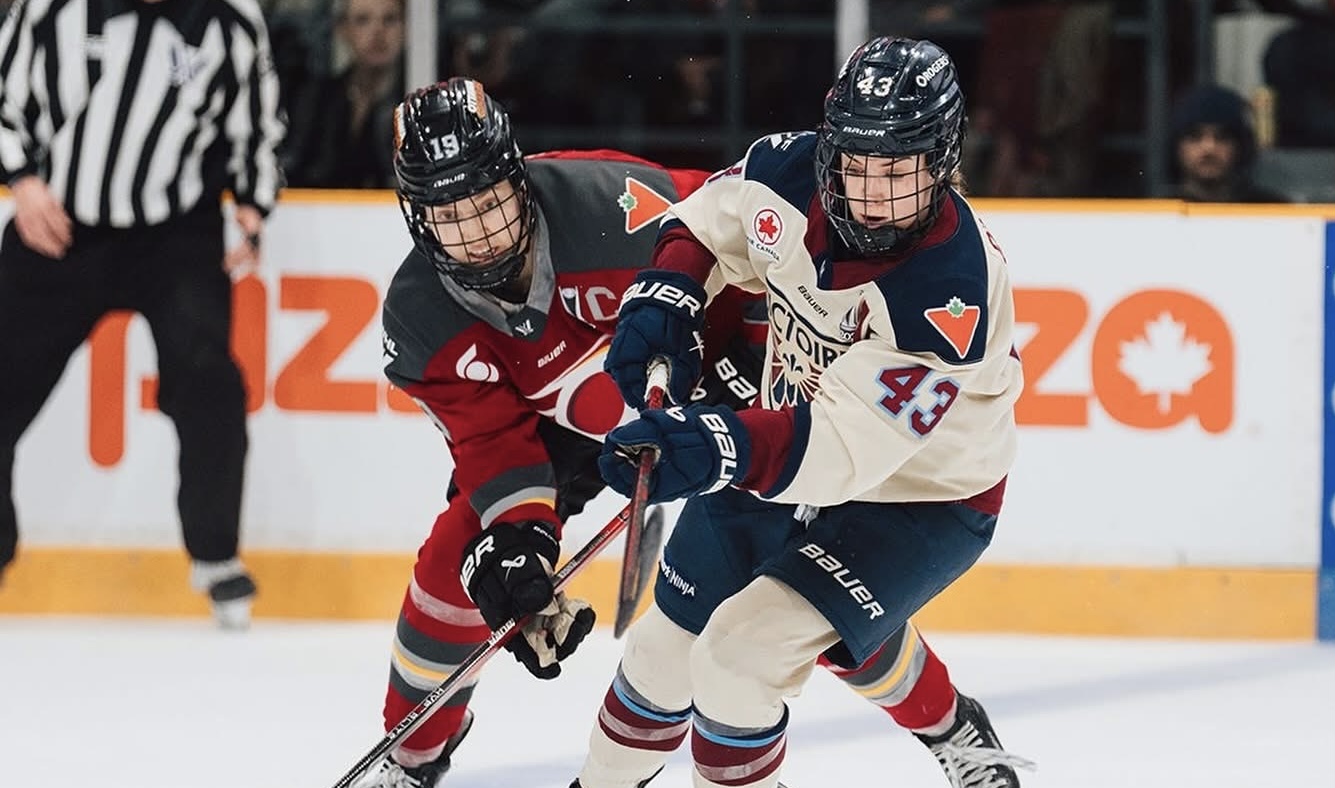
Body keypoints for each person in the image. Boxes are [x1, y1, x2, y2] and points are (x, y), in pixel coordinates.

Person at [367, 77, 1007, 788]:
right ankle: (411, 756)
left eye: (487, 203)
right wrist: (522, 538)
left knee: (793, 618)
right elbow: (491, 442)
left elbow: (754, 279)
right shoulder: (420, 319)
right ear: (414, 217)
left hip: (751, 398)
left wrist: (731, 396)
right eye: (449, 215)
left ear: (518, 177)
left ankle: (947, 725)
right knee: (469, 559)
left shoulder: (609, 205)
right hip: (585, 422)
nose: (478, 233)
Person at [582, 37, 1032, 788]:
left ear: (942, 162)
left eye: (898, 171)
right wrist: (667, 296)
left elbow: (841, 449)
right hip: (788, 441)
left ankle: (951, 725)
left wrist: (714, 444)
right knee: (661, 655)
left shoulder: (951, 293)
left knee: (739, 658)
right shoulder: (785, 171)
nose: (872, 194)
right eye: (857, 164)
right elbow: (706, 222)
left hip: (919, 498)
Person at [0, 0, 284, 627]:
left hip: (174, 233)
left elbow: (258, 125)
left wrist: (253, 207)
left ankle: (215, 554)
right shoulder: (49, 7)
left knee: (209, 381)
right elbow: (4, 98)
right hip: (58, 221)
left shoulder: (230, 19)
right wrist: (21, 180)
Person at [285, 0, 405, 188]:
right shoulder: (318, 100)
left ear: (406, 28)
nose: (378, 32)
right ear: (342, 29)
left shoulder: (414, 99)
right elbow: (296, 168)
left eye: (389, 19)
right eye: (363, 20)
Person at [1167, 84, 1287, 203]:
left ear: (1239, 146)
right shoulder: (1161, 210)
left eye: (1222, 137)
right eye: (1195, 137)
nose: (1209, 148)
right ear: (1177, 146)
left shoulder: (1271, 210)